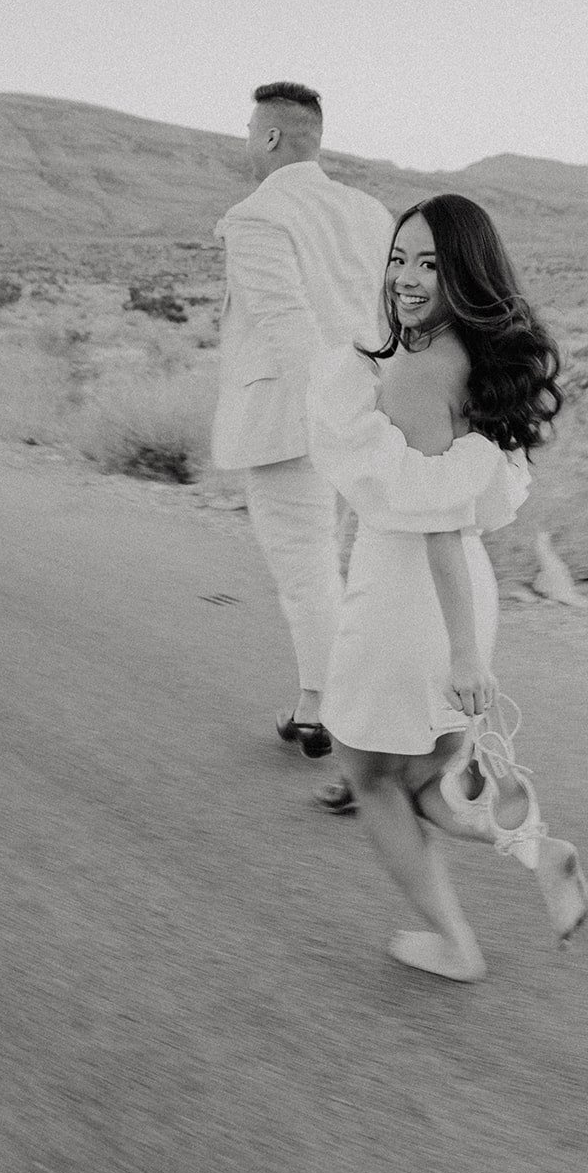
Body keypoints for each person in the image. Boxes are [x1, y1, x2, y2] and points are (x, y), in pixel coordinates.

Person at [307, 193, 588, 982]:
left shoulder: (417, 373)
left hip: (412, 596)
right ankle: (539, 851)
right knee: (424, 775)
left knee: (368, 775)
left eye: (429, 263)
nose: (405, 277)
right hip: (458, 587)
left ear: (464, 272)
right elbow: (455, 514)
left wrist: (465, 656)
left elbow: (429, 522)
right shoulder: (470, 358)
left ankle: (453, 942)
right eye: (399, 257)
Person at [212, 82, 393, 763]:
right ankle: (316, 704)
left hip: (295, 418)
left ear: (268, 137)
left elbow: (284, 322)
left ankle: (345, 722)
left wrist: (326, 411)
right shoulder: (368, 211)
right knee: (332, 566)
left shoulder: (259, 215)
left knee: (306, 570)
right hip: (362, 408)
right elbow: (388, 316)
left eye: (247, 131)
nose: (245, 144)